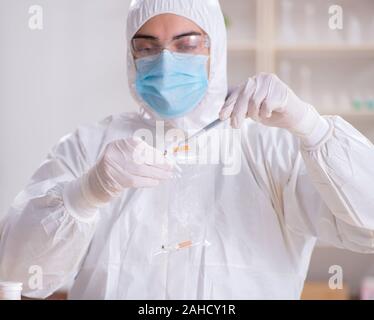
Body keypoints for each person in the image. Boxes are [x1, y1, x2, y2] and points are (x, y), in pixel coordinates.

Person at [1, 0, 374, 300]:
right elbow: (16, 273)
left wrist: (311, 126)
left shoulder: (268, 146)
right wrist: (84, 193)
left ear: (216, 49)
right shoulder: (90, 147)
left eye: (187, 44)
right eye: (147, 47)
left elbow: (368, 228)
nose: (165, 60)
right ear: (131, 58)